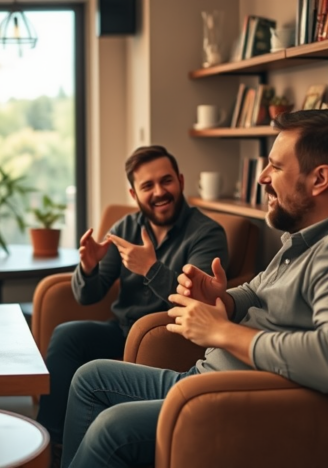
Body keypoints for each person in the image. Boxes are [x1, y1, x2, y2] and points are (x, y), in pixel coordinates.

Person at [60, 109, 328, 468]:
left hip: (235, 398)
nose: (263, 178)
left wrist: (222, 331)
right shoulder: (309, 236)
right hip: (208, 378)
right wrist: (221, 299)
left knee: (113, 429)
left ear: (320, 179)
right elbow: (257, 290)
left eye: (276, 167)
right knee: (89, 377)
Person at [36, 145, 230, 461]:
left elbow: (201, 301)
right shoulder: (125, 228)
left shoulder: (207, 233)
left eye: (166, 181)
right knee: (68, 335)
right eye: (147, 186)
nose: (159, 192)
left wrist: (151, 269)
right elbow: (89, 295)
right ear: (134, 193)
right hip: (122, 330)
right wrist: (88, 266)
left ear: (180, 180)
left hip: (167, 337)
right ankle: (51, 447)